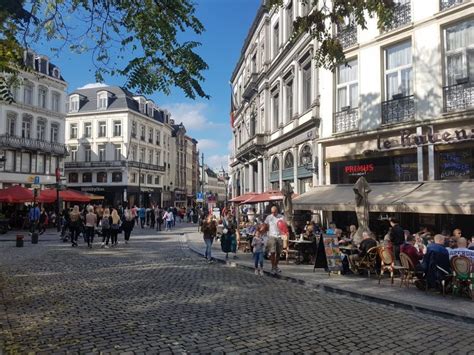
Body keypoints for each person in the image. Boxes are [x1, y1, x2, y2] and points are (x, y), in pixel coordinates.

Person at [264, 206, 285, 275]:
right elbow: (266, 226)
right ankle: (273, 267)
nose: (273, 213)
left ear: (277, 211)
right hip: (271, 236)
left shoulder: (281, 217)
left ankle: (276, 266)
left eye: (274, 212)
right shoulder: (269, 217)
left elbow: (284, 226)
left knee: (278, 252)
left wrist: (284, 233)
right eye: (272, 212)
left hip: (279, 236)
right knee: (272, 252)